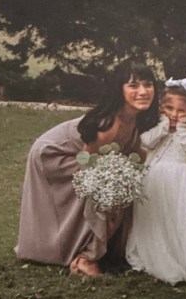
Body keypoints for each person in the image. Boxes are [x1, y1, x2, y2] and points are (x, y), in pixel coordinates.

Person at [15, 60, 159, 277]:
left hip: (88, 159)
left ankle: (106, 250)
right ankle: (86, 257)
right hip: (55, 155)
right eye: (133, 86)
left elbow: (136, 152)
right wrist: (112, 195)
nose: (143, 91)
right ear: (119, 90)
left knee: (119, 185)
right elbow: (89, 167)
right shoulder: (109, 125)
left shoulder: (136, 118)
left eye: (148, 85)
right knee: (106, 194)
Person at [125, 77, 186, 283]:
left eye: (181, 111)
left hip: (183, 181)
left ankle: (184, 255)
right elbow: (147, 142)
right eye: (169, 109)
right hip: (156, 179)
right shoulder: (156, 129)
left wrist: (182, 129)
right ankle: (159, 252)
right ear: (161, 108)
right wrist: (163, 127)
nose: (174, 114)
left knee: (182, 217)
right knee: (159, 215)